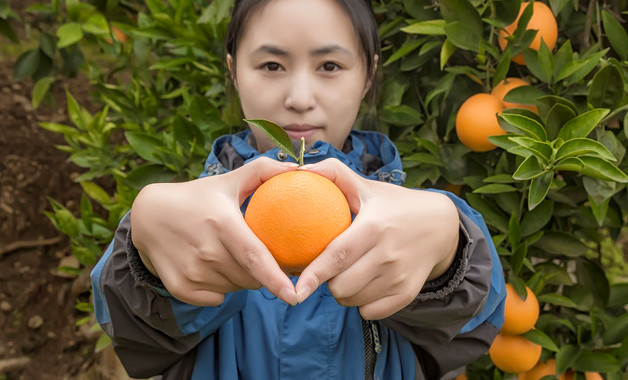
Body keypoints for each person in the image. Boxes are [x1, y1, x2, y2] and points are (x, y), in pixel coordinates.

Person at [91, 0, 507, 379]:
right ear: (233, 71)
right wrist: (142, 255)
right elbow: (133, 336)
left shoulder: (404, 221)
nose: (300, 98)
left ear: (368, 75)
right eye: (272, 65)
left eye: (329, 66)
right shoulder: (191, 222)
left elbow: (476, 327)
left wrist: (451, 254)